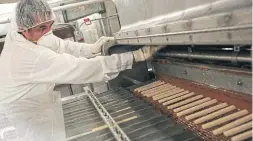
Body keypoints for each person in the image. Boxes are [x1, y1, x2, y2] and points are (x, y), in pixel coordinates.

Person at [0, 0, 161, 140]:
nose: (48, 31)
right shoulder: (26, 56)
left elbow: (62, 46)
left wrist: (91, 49)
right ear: (25, 29)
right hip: (26, 115)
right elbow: (81, 69)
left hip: (38, 105)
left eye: (50, 25)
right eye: (43, 28)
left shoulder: (28, 33)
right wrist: (134, 56)